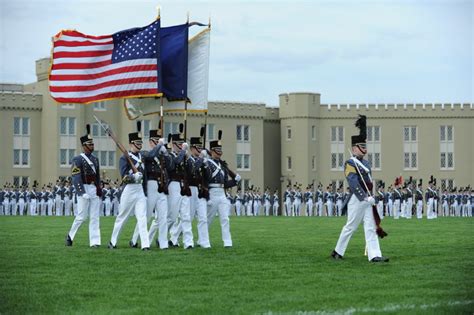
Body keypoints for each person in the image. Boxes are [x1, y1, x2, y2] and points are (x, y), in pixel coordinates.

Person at [332, 115, 388, 263]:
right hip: (357, 199)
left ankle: (374, 255)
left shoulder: (366, 164)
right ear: (354, 148)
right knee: (351, 226)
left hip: (368, 198)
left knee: (370, 227)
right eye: (361, 147)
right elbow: (353, 182)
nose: (364, 149)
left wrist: (371, 197)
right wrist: (364, 197)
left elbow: (369, 181)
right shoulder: (350, 163)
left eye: (365, 147)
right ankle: (338, 251)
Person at [109, 122, 165, 250]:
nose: (139, 145)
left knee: (142, 218)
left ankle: (145, 244)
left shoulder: (143, 155)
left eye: (140, 143)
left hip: (139, 190)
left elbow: (151, 155)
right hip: (129, 190)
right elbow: (123, 177)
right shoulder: (124, 158)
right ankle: (113, 241)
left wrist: (159, 145)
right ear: (131, 144)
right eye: (137, 143)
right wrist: (133, 177)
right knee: (122, 217)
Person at [65, 124, 102, 247]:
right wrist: (81, 192)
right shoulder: (77, 159)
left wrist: (98, 189)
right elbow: (76, 177)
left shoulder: (95, 159)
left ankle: (95, 242)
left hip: (93, 188)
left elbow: (97, 176)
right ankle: (70, 236)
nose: (92, 146)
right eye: (90, 144)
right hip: (84, 188)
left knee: (95, 217)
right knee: (81, 216)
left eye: (92, 144)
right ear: (84, 146)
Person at [203, 133, 240, 247]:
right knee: (209, 219)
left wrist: (235, 181)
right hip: (212, 193)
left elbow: (224, 184)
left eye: (220, 150)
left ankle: (227, 242)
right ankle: (203, 240)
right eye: (217, 150)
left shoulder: (223, 165)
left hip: (222, 194)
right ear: (212, 151)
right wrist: (207, 196)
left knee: (225, 219)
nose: (219, 152)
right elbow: (205, 180)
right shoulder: (207, 163)